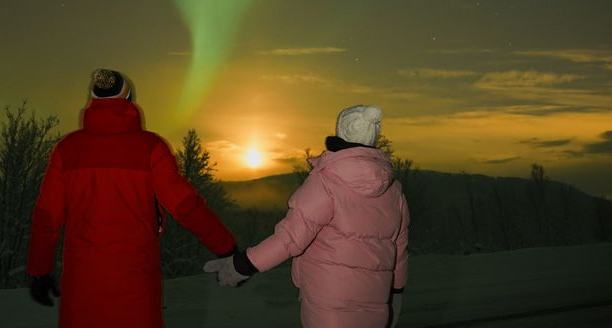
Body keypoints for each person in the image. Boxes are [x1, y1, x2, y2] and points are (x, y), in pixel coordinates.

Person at [27, 68, 237, 327]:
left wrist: (39, 271)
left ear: (93, 101)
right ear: (129, 101)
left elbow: (46, 216)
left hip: (82, 288)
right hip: (136, 286)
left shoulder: (67, 150)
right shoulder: (151, 148)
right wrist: (226, 246)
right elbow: (186, 206)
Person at [204, 104, 409, 328]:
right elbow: (398, 248)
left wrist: (242, 265)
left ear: (341, 131)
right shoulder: (394, 191)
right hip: (377, 304)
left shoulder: (325, 182)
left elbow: (289, 239)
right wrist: (396, 292)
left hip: (327, 305)